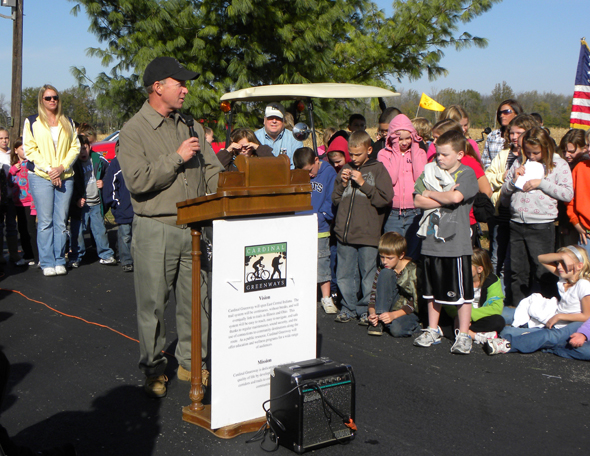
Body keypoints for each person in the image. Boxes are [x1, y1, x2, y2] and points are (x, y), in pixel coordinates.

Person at [117, 56, 224, 398]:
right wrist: (177, 158)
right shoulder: (133, 131)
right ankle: (153, 368)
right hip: (156, 228)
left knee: (197, 303)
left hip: (194, 227)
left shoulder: (190, 125)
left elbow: (212, 171)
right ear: (158, 87)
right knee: (152, 306)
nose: (186, 89)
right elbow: (137, 181)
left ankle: (193, 364)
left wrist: (234, 184)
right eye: (180, 83)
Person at [413, 130, 479, 354]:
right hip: (430, 241)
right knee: (431, 292)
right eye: (437, 154)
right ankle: (433, 329)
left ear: (459, 154)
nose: (439, 158)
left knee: (462, 294)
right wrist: (441, 196)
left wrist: (430, 193)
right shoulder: (429, 171)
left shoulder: (467, 173)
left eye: (444, 154)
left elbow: (456, 197)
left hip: (455, 244)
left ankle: (463, 334)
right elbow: (417, 200)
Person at [500, 127, 573, 307]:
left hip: (541, 225)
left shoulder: (558, 164)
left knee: (543, 270)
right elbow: (503, 196)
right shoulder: (519, 162)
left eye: (536, 152)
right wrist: (513, 181)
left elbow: (567, 194)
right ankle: (518, 308)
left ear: (546, 148)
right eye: (528, 152)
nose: (532, 156)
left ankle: (546, 308)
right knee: (518, 271)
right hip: (517, 223)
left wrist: (542, 184)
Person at [332, 131, 393, 324]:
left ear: (369, 150)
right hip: (345, 234)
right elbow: (335, 199)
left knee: (368, 275)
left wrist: (363, 183)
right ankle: (348, 308)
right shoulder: (346, 168)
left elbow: (384, 199)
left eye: (358, 154)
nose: (354, 158)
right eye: (351, 154)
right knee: (344, 274)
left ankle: (367, 309)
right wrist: (342, 184)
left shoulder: (378, 169)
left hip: (368, 233)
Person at [484, 246, 590, 356]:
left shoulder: (583, 284)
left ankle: (505, 342)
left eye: (564, 263)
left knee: (509, 332)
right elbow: (541, 259)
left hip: (563, 326)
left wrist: (559, 316)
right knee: (506, 313)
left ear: (579, 266)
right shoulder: (565, 278)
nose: (559, 266)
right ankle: (477, 318)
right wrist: (562, 256)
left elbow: (587, 316)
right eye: (558, 263)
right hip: (550, 318)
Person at [23, 85, 80, 277]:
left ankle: (59, 259)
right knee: (45, 221)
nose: (52, 100)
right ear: (42, 100)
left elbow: (75, 147)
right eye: (48, 98)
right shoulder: (32, 122)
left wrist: (61, 168)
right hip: (40, 176)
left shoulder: (67, 121)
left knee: (61, 221)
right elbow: (30, 150)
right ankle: (46, 261)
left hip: (65, 175)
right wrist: (49, 170)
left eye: (55, 97)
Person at [485, 114, 539, 283]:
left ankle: (511, 290)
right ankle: (495, 290)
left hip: (523, 215)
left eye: (519, 133)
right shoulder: (504, 155)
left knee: (515, 259)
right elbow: (487, 177)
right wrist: (503, 176)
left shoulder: (534, 157)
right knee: (496, 256)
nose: (514, 137)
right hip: (502, 211)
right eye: (512, 133)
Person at [293, 146, 338, 314]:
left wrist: (321, 217)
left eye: (310, 170)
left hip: (320, 227)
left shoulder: (329, 173)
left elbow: (331, 199)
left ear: (316, 160)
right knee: (301, 261)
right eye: (305, 172)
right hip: (300, 225)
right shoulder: (297, 175)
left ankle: (326, 297)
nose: (309, 175)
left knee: (322, 260)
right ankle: (303, 294)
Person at [377, 114, 426, 260]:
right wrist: (396, 152)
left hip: (415, 212)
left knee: (412, 255)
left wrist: (415, 148)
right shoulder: (383, 154)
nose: (404, 142)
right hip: (393, 213)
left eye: (408, 138)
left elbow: (419, 178)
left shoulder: (420, 153)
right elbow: (390, 179)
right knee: (392, 254)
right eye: (400, 139)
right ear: (392, 137)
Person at [69, 135, 116, 268]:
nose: (82, 152)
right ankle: (76, 256)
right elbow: (69, 185)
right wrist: (76, 199)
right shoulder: (72, 164)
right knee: (77, 231)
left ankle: (106, 254)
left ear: (90, 147)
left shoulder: (98, 159)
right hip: (80, 205)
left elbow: (109, 173)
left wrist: (104, 182)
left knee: (99, 230)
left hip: (95, 203)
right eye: (79, 149)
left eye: (84, 148)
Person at [444, 248, 505, 344]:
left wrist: (468, 315)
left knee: (498, 321)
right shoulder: (457, 279)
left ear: (479, 269)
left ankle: (459, 332)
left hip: (478, 317)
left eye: (466, 265)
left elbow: (496, 308)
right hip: (457, 317)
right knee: (437, 314)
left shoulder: (492, 281)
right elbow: (447, 302)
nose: (462, 268)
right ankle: (474, 335)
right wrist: (457, 315)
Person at [367, 232, 420, 337]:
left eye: (389, 258)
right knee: (385, 273)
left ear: (401, 255)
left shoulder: (413, 270)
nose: (384, 262)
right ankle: (380, 320)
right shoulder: (383, 269)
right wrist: (372, 314)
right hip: (388, 308)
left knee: (397, 330)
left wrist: (394, 315)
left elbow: (415, 302)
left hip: (407, 310)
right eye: (382, 257)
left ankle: (417, 326)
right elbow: (373, 296)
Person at [102, 155, 134, 272]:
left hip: (137, 208)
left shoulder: (138, 158)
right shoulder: (116, 163)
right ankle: (126, 260)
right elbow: (110, 186)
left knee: (137, 236)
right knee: (125, 235)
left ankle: (136, 259)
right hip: (123, 208)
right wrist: (116, 203)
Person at [9, 139, 38, 266]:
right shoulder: (14, 166)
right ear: (16, 150)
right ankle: (28, 255)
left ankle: (38, 257)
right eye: (22, 148)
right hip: (18, 202)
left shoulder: (31, 164)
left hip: (30, 202)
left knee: (31, 229)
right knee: (22, 229)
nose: (24, 151)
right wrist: (12, 171)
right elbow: (9, 183)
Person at [0, 128, 26, 266]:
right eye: (1, 138)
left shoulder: (13, 153)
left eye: (6, 138)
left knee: (11, 225)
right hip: (1, 197)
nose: (4, 141)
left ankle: (14, 254)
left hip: (13, 196)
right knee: (0, 226)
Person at [559, 129, 588, 249]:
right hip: (572, 223)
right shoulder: (569, 166)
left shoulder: (581, 166)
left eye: (571, 151)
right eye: (564, 151)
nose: (567, 155)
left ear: (584, 148)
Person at [254, 102, 303, 167]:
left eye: (278, 118)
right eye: (270, 117)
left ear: (283, 120)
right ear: (264, 120)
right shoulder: (254, 137)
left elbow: (298, 166)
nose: (274, 121)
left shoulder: (294, 139)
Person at [481, 99, 523, 169]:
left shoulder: (524, 136)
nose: (502, 115)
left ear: (516, 114)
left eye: (506, 112)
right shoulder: (492, 136)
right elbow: (485, 162)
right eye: (500, 113)